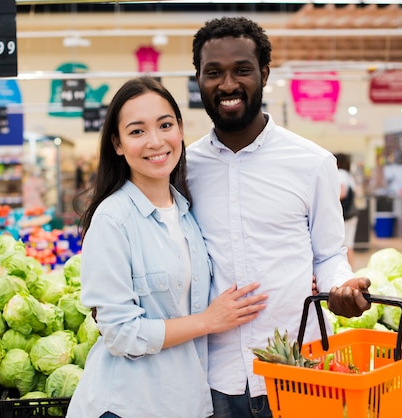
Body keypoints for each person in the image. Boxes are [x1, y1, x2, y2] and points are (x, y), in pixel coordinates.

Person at [187, 17, 371, 418]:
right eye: (213, 72)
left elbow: (328, 254)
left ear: (265, 74)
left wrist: (341, 287)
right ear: (198, 78)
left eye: (242, 70)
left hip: (297, 371)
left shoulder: (312, 163)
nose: (228, 85)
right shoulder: (183, 167)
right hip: (210, 377)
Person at [67, 77, 268, 418]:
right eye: (137, 131)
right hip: (128, 405)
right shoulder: (113, 219)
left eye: (165, 125)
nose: (156, 141)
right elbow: (121, 334)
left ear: (181, 130)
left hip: (183, 402)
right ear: (117, 144)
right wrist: (207, 321)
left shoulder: (186, 213)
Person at [335, 152, 359, 269]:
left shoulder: (340, 173)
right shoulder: (349, 175)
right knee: (349, 244)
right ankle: (351, 271)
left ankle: (346, 272)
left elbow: (342, 193)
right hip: (352, 214)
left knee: (342, 245)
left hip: (345, 215)